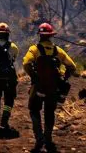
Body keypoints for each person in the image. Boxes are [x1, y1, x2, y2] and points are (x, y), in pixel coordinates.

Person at [22, 22, 77, 153]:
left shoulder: (34, 50)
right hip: (53, 89)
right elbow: (72, 66)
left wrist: (35, 77)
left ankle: (39, 138)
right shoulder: (58, 51)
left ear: (40, 36)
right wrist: (64, 78)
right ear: (51, 36)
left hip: (38, 87)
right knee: (49, 113)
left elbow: (26, 64)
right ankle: (48, 139)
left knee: (34, 110)